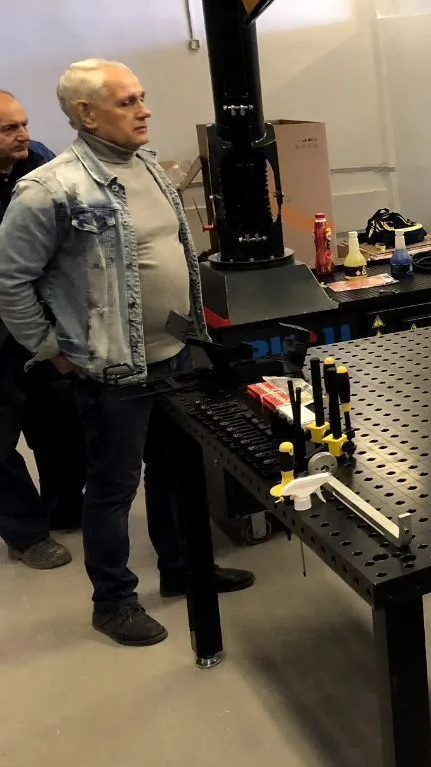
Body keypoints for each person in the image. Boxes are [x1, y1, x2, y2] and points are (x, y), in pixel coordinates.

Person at [0, 60, 254, 647]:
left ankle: (182, 569)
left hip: (175, 353)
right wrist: (52, 350)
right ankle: (112, 602)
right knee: (114, 488)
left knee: (175, 471)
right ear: (86, 114)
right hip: (113, 368)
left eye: (142, 97)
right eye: (127, 102)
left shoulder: (147, 167)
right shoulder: (49, 189)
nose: (144, 110)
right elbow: (11, 283)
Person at [0, 90, 85, 569]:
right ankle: (26, 534)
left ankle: (62, 509)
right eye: (9, 128)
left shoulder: (37, 162)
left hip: (38, 320)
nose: (23, 135)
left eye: (24, 123)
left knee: (60, 423)